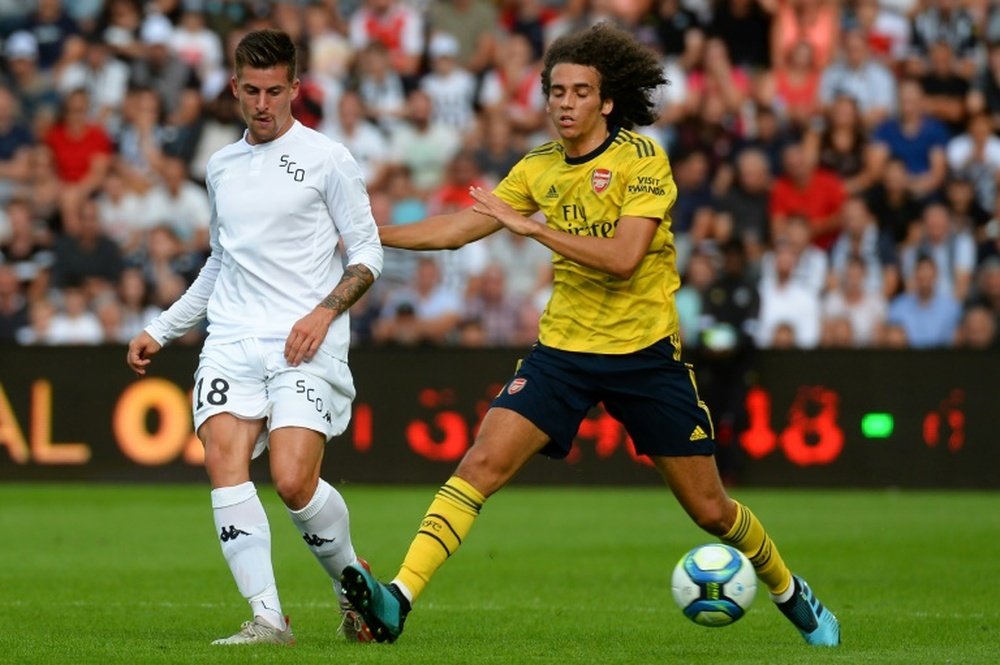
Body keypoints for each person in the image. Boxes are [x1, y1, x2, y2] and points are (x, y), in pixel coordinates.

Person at [340, 23, 840, 648]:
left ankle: (791, 592)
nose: (566, 102)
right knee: (481, 462)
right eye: (556, 91)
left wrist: (531, 229)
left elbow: (625, 258)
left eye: (581, 91)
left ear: (606, 101)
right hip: (564, 354)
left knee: (712, 511)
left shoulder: (642, 159)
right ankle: (397, 600)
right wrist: (362, 234)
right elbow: (455, 230)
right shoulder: (539, 168)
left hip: (644, 357)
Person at [125, 29, 383, 646]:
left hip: (304, 341)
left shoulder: (328, 158)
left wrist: (323, 313)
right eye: (251, 91)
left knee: (294, 482)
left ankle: (353, 576)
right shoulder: (220, 166)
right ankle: (268, 618)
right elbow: (220, 262)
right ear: (234, 88)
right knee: (224, 465)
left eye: (274, 91)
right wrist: (162, 328)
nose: (262, 103)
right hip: (232, 338)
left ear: (295, 88)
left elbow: (369, 251)